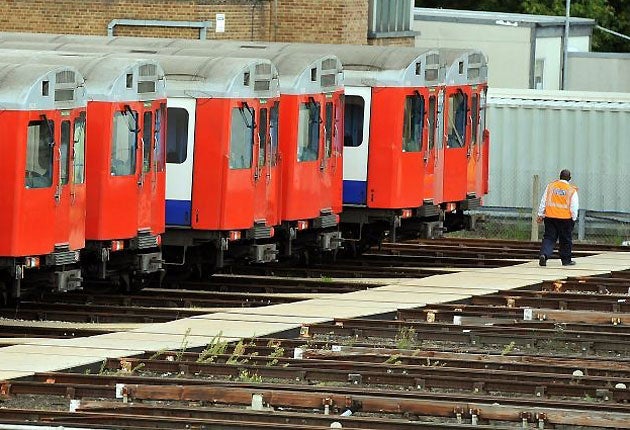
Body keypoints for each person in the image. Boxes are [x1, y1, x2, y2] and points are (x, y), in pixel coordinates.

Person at [537, 169, 579, 266]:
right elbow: (574, 206)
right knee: (565, 240)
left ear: (559, 176)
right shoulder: (571, 190)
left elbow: (544, 201)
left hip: (550, 217)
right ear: (570, 178)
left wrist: (540, 215)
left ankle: (544, 254)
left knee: (549, 238)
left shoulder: (551, 186)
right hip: (565, 219)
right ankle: (566, 260)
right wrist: (574, 218)